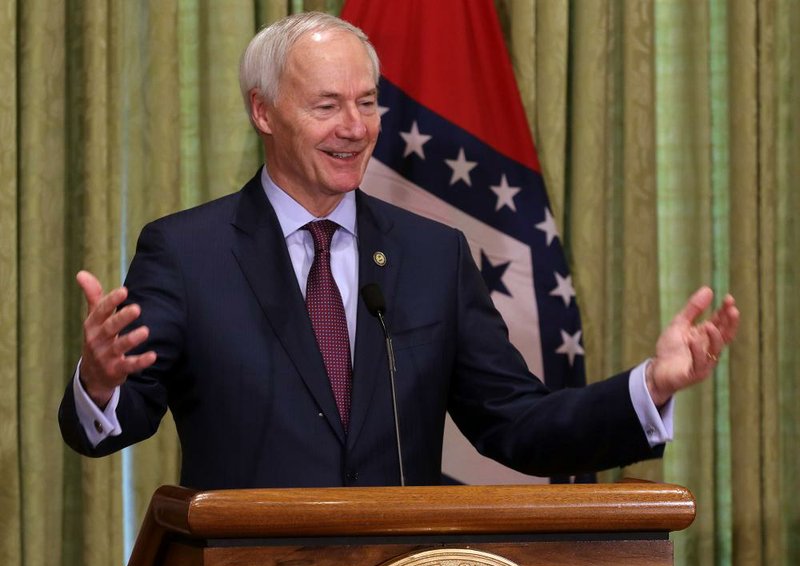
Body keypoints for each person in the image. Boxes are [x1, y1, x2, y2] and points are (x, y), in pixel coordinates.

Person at [58, 12, 739, 490]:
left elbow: (517, 424)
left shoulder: (433, 256)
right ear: (263, 112)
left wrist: (648, 386)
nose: (354, 129)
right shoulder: (185, 253)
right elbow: (111, 426)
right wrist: (99, 381)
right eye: (326, 106)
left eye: (367, 103)